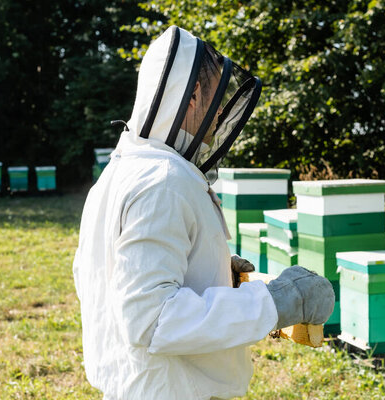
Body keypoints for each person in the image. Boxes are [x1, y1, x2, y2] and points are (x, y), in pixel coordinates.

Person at [73, 26, 335, 400]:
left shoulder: (121, 172)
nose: (217, 122)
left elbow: (108, 278)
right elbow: (153, 320)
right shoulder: (162, 180)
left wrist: (209, 271)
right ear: (193, 96)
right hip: (174, 389)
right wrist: (275, 302)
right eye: (215, 103)